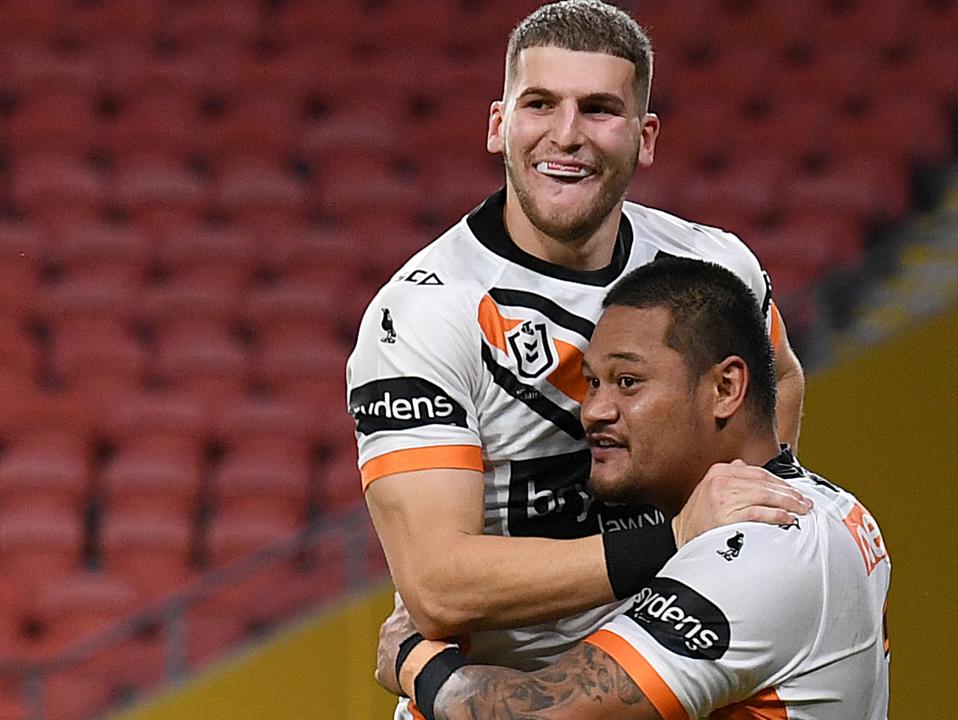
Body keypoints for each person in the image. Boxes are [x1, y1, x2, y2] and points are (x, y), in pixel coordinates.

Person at [346, 0, 809, 713]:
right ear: (499, 126)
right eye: (540, 104)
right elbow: (437, 586)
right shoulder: (423, 314)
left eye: (599, 110)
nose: (567, 136)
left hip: (658, 687)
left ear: (644, 136)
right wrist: (677, 536)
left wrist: (735, 548)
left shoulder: (714, 267)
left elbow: (778, 379)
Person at [379, 257, 891, 720]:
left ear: (725, 388)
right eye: (593, 383)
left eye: (627, 381)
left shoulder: (761, 545)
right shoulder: (828, 506)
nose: (594, 411)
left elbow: (544, 716)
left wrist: (416, 663)